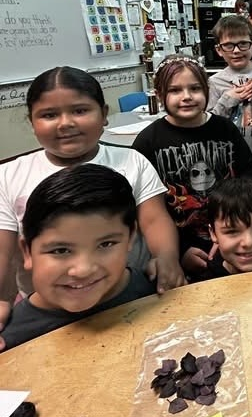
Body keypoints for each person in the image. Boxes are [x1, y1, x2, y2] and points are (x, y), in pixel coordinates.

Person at [0, 66, 184, 347]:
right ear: (31, 121)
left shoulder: (131, 161)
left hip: (126, 296)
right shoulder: (10, 175)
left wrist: (167, 256)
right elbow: (3, 249)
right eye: (49, 115)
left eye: (79, 111)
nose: (65, 123)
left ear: (104, 113)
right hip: (50, 310)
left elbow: (154, 220)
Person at [0, 164, 156, 350]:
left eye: (105, 244)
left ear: (130, 238)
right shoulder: (9, 338)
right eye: (60, 250)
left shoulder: (155, 289)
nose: (83, 270)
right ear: (27, 252)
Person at [132, 55, 252, 277]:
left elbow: (248, 182)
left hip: (232, 239)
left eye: (195, 88)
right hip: (180, 248)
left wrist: (233, 235)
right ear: (160, 95)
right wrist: (178, 251)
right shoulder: (148, 141)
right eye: (175, 90)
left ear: (206, 90)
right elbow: (147, 210)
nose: (187, 97)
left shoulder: (224, 129)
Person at [207, 15, 252, 184]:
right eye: (228, 45)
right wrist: (227, 99)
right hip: (231, 159)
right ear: (219, 50)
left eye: (243, 44)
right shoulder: (215, 82)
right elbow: (211, 124)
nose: (236, 50)